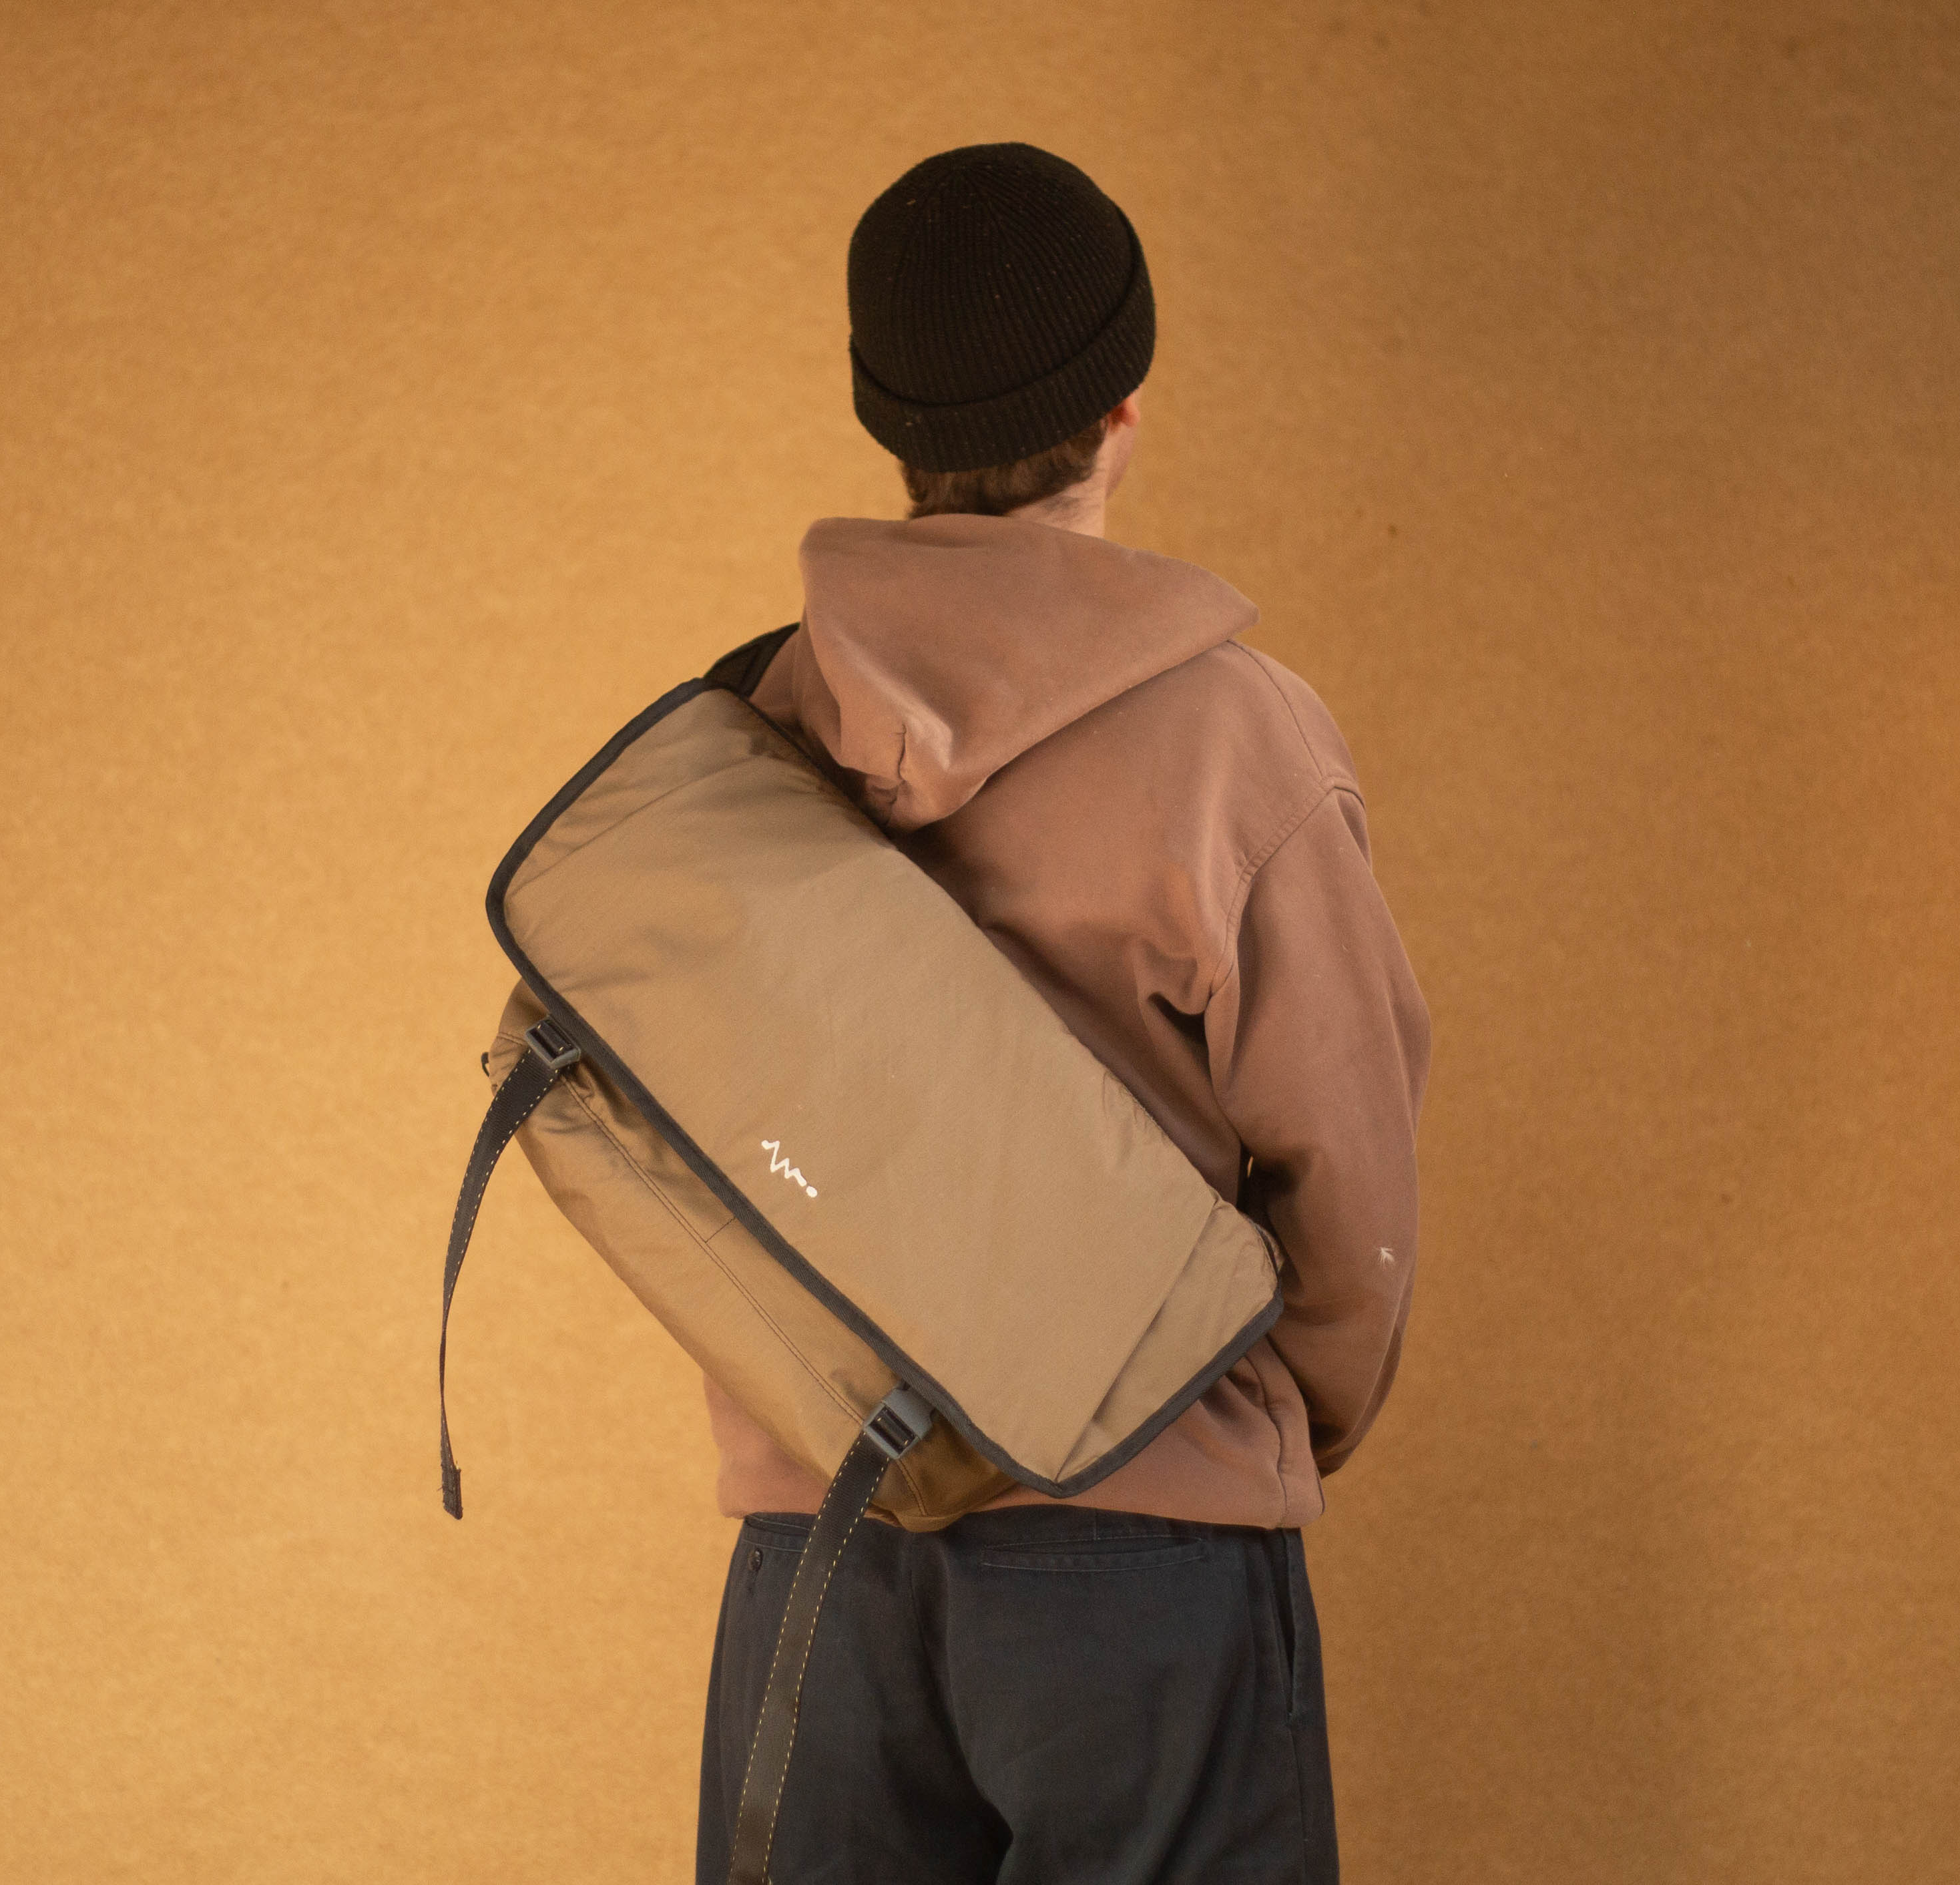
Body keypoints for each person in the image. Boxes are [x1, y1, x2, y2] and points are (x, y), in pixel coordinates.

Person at [694, 143, 1430, 1884]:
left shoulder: (751, 730)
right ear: (1123, 404)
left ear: (890, 421)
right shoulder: (1235, 739)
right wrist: (1250, 1425)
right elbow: (1348, 1164)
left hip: (820, 1524)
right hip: (1146, 1531)